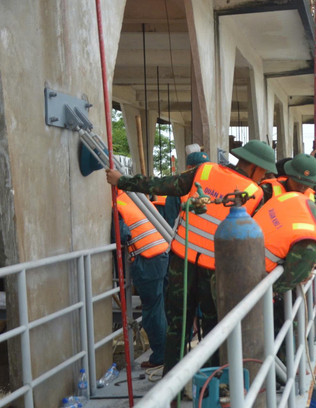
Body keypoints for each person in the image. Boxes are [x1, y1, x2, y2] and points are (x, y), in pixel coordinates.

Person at [106, 139, 276, 379]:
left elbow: (160, 185)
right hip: (214, 272)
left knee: (177, 327)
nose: (263, 177)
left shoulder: (205, 171)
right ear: (257, 167)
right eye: (264, 172)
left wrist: (121, 181)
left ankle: (171, 391)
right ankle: (210, 388)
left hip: (180, 264)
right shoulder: (254, 193)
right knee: (213, 331)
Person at [114, 190, 169, 370]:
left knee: (152, 313)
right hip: (162, 253)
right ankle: (169, 351)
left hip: (147, 260)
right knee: (160, 307)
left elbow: (121, 236)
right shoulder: (135, 199)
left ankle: (161, 356)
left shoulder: (118, 206)